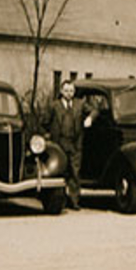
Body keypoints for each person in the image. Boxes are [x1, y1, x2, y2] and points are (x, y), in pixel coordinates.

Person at [47, 80, 84, 210]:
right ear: (62, 91)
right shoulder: (54, 106)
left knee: (75, 172)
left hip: (75, 143)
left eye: (71, 91)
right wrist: (49, 136)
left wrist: (90, 118)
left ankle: (74, 201)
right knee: (60, 171)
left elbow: (95, 110)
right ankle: (59, 201)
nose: (69, 93)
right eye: (67, 90)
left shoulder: (80, 104)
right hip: (59, 143)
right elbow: (45, 122)